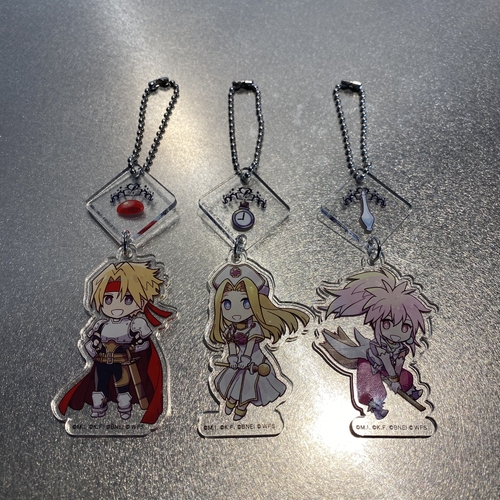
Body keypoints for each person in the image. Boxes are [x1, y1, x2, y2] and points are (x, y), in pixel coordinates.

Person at [58, 261, 172, 424]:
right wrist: (92, 348)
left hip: (123, 363)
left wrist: (134, 346)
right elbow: (92, 341)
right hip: (102, 362)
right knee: (100, 387)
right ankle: (98, 409)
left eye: (127, 299)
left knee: (122, 388)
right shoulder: (101, 324)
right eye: (109, 299)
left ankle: (125, 410)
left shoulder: (134, 324)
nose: (116, 306)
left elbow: (144, 342)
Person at [319, 268, 430, 419]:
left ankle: (411, 391)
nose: (395, 332)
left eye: (405, 327)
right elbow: (386, 362)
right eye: (387, 324)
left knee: (406, 377)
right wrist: (393, 379)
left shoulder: (401, 349)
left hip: (387, 368)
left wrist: (396, 379)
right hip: (371, 361)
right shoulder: (380, 348)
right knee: (369, 378)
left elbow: (398, 363)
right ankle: (375, 406)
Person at [209, 263, 309, 421]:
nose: (236, 312)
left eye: (245, 303)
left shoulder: (254, 327)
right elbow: (231, 345)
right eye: (227, 304)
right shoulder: (230, 329)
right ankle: (231, 401)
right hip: (239, 360)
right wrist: (232, 358)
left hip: (254, 360)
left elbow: (250, 346)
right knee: (233, 381)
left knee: (248, 384)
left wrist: (245, 359)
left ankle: (242, 406)